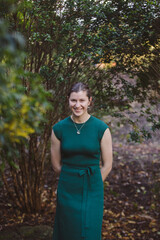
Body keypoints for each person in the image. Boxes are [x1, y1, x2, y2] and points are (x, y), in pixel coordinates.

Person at [51, 82, 113, 240]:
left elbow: (107, 165)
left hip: (93, 188)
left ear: (89, 101)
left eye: (82, 101)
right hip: (67, 188)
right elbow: (56, 165)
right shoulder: (58, 129)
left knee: (90, 231)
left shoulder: (101, 129)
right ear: (68, 100)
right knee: (67, 231)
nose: (77, 105)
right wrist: (71, 178)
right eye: (73, 100)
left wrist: (94, 183)